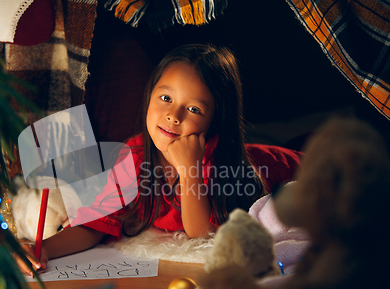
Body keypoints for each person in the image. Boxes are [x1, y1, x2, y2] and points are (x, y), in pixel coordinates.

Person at [16, 44, 265, 274]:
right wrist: (41, 249)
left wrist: (189, 169)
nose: (173, 116)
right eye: (166, 98)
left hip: (271, 161)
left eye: (193, 109)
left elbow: (202, 238)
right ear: (149, 96)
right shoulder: (133, 157)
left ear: (217, 120)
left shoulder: (219, 162)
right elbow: (97, 224)